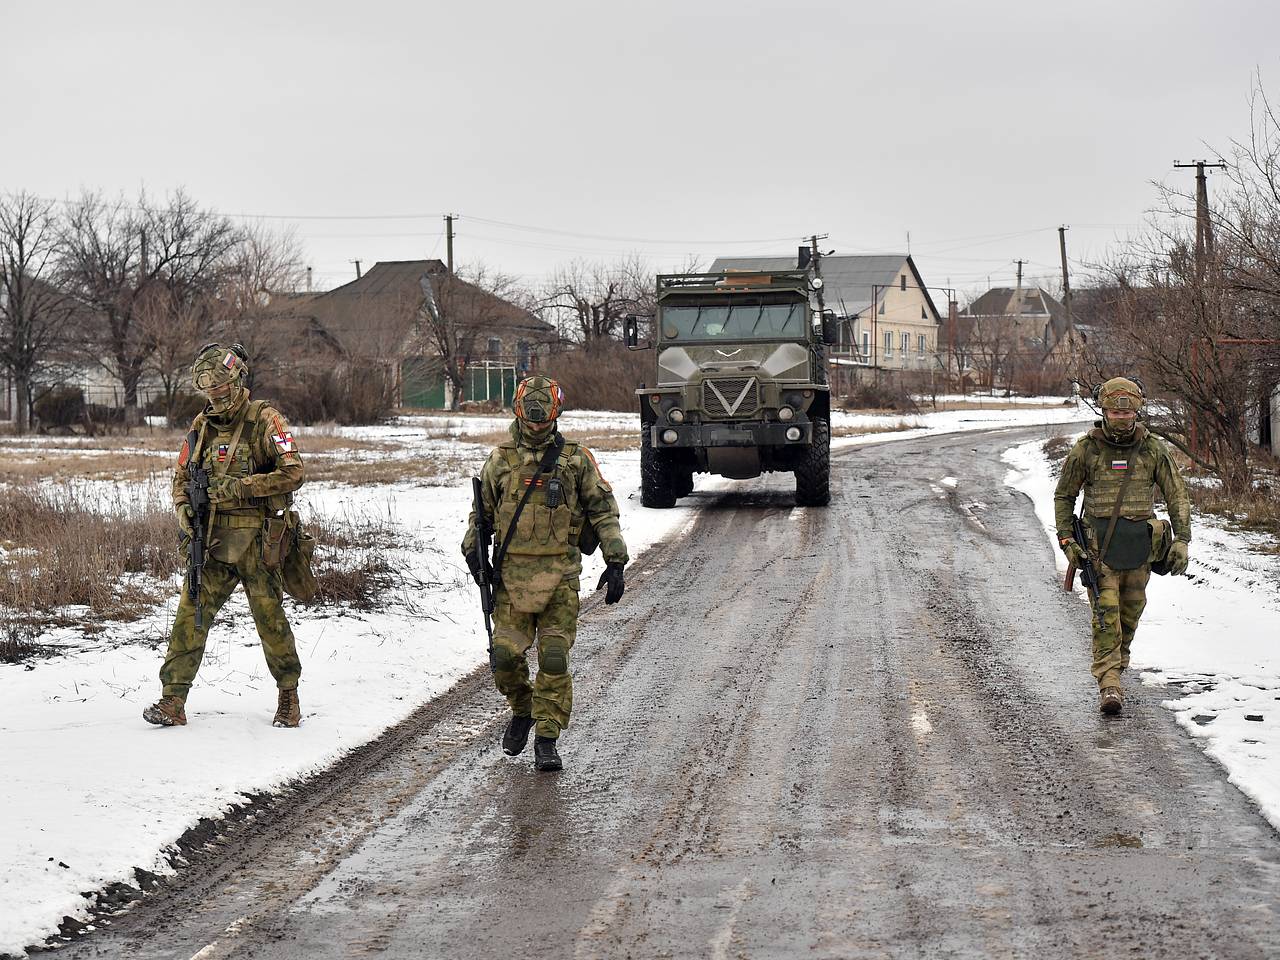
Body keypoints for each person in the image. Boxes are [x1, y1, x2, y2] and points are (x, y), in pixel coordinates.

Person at [462, 376, 628, 771]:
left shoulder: (575, 459)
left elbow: (603, 510)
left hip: (559, 578)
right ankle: (522, 707)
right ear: (519, 412)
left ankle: (547, 738)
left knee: (553, 657)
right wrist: (474, 552)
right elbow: (481, 515)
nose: (537, 425)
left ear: (556, 414)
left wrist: (616, 559)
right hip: (512, 579)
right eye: (530, 417)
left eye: (544, 417)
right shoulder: (500, 461)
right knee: (504, 657)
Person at [143, 343, 306, 728]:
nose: (216, 398)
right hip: (213, 541)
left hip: (258, 541)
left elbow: (294, 472)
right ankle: (173, 700)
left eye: (222, 390)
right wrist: (183, 510)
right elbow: (181, 478)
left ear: (237, 381)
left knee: (269, 618)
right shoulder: (200, 428)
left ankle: (288, 695)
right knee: (190, 616)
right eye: (209, 392)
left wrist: (241, 487)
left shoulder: (265, 420)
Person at [1053, 376, 1191, 715]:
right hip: (1099, 551)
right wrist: (1068, 540)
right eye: (1115, 413)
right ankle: (1109, 684)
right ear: (1104, 411)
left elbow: (1177, 493)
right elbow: (1064, 496)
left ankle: (1118, 663)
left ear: (1137, 412)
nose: (1121, 419)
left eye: (1127, 414)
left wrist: (1183, 540)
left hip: (1139, 550)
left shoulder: (1152, 449)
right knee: (1105, 615)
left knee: (1130, 616)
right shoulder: (1086, 449)